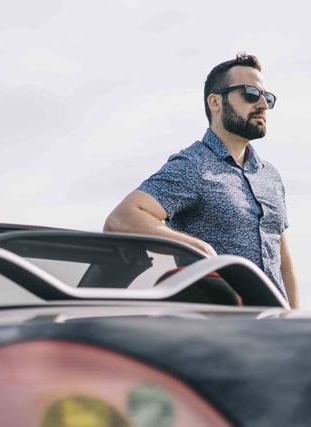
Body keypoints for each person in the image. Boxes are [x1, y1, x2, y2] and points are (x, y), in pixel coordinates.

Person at [103, 52, 299, 308]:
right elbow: (121, 218)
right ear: (215, 102)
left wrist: (294, 320)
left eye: (267, 97)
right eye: (251, 94)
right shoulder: (193, 165)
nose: (262, 104)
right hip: (217, 330)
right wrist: (197, 248)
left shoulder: (269, 175)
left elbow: (283, 261)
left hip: (272, 333)